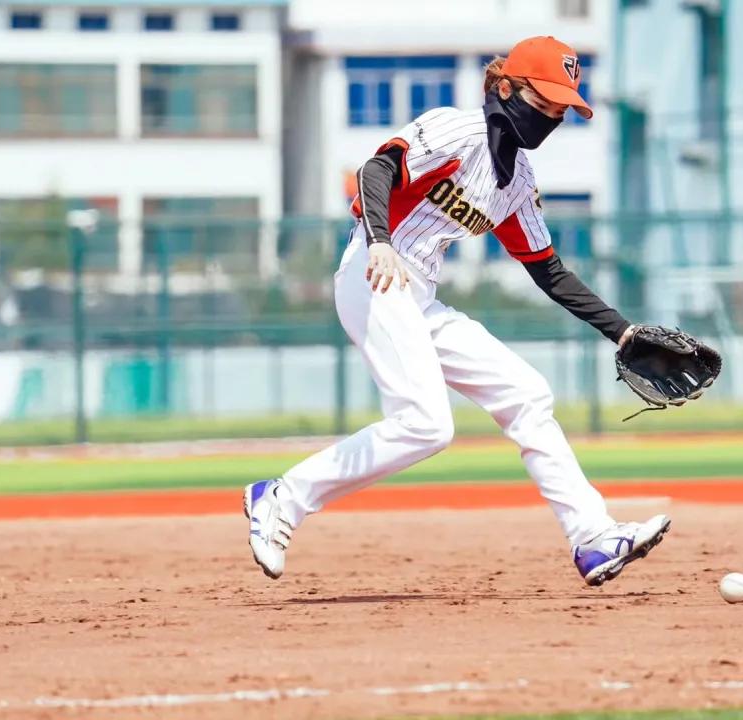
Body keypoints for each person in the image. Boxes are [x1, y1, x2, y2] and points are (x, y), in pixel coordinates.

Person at [244, 36, 669, 587]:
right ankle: (282, 497)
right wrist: (379, 241)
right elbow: (379, 169)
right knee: (425, 424)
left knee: (526, 394)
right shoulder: (457, 129)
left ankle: (591, 536)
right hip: (372, 273)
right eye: (544, 101)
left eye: (563, 109)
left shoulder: (515, 182)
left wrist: (622, 331)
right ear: (506, 88)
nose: (552, 116)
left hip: (416, 295)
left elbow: (548, 269)